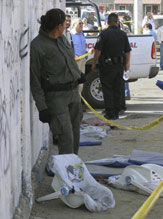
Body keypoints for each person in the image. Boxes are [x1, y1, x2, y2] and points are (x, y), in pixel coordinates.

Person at [30, 8, 84, 155]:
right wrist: (42, 107)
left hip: (73, 94)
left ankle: (73, 171)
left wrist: (78, 75)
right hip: (56, 99)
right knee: (66, 138)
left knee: (75, 135)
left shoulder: (62, 39)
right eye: (64, 23)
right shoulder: (38, 46)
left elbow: (70, 61)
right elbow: (34, 80)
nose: (67, 25)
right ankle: (66, 173)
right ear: (58, 26)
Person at [91, 13, 131, 120]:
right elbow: (127, 51)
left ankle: (110, 112)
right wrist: (127, 63)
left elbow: (98, 50)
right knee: (117, 89)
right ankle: (116, 112)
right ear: (117, 22)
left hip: (107, 67)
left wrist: (94, 62)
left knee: (107, 89)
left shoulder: (103, 34)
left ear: (107, 23)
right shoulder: (123, 34)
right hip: (119, 66)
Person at [70, 18, 87, 92]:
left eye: (82, 23)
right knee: (74, 81)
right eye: (79, 23)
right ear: (74, 25)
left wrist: (85, 52)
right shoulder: (70, 34)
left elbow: (82, 45)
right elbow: (68, 48)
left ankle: (78, 99)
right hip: (75, 61)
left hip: (82, 60)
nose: (81, 25)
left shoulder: (82, 33)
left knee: (81, 81)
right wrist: (73, 55)